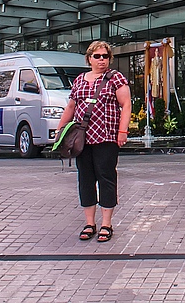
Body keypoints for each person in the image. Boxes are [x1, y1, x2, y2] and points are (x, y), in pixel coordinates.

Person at [56, 40, 131, 243]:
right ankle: (89, 223)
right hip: (82, 139)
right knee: (85, 179)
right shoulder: (80, 80)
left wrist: (122, 131)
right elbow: (71, 107)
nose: (101, 60)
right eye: (97, 56)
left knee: (106, 178)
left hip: (106, 137)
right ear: (89, 58)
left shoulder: (116, 78)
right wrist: (60, 130)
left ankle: (106, 224)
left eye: (105, 56)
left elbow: (126, 105)